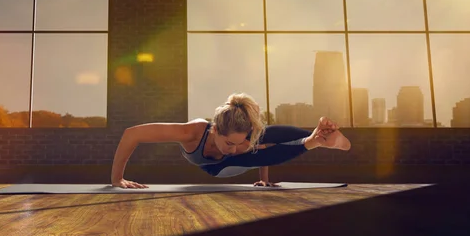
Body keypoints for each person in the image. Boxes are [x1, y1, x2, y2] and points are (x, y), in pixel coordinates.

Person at [110, 93, 352, 189]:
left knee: (264, 138)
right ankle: (311, 142)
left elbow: (258, 147)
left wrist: (263, 180)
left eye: (239, 143)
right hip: (216, 168)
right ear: (214, 130)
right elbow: (132, 134)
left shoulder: (243, 140)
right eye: (229, 144)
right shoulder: (191, 132)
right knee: (251, 154)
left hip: (247, 155)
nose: (235, 148)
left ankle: (320, 137)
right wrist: (117, 178)